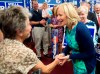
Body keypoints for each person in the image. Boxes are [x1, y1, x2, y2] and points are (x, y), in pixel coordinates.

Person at [0, 6, 59, 74]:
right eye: (28, 24)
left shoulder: (2, 44)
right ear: (19, 31)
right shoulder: (25, 53)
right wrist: (57, 60)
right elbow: (45, 70)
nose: (31, 27)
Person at [56, 3, 96, 74]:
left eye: (60, 15)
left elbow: (90, 53)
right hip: (76, 63)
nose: (57, 18)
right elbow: (70, 43)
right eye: (57, 15)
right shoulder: (68, 27)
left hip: (86, 67)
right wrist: (63, 53)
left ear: (69, 15)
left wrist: (69, 56)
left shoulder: (81, 29)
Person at [94, 3, 100, 74]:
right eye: (96, 8)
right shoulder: (92, 16)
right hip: (95, 38)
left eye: (99, 8)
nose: (98, 9)